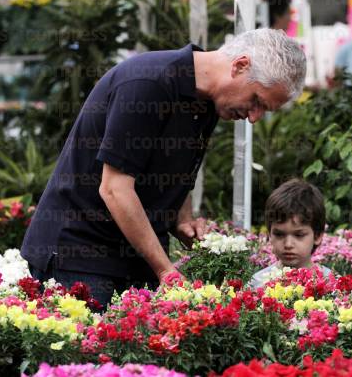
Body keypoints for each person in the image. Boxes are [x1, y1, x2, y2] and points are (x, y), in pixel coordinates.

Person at [20, 29, 306, 308]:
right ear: (240, 66)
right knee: (92, 354)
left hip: (131, 255)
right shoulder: (148, 83)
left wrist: (182, 219)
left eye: (264, 110)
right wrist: (165, 269)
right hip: (79, 252)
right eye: (256, 101)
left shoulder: (208, 100)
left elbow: (178, 167)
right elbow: (114, 189)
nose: (254, 117)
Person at [249, 179, 331, 289]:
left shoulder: (332, 284)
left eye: (299, 235)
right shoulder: (258, 283)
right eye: (279, 234)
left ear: (317, 236)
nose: (288, 244)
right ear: (269, 235)